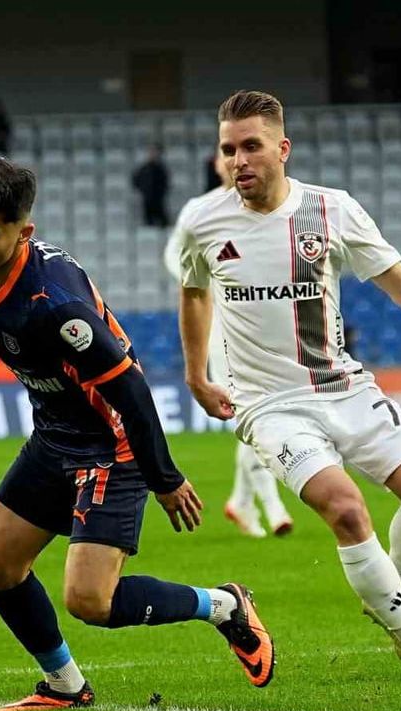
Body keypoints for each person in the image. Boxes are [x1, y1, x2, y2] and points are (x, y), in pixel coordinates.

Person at [0, 157, 274, 711]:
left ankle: (223, 605)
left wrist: (165, 478)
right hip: (55, 436)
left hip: (112, 445)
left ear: (22, 233)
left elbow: (130, 391)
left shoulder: (55, 306)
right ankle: (65, 685)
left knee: (90, 601)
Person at [177, 90, 401, 679]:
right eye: (228, 149)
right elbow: (192, 294)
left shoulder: (331, 210)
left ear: (283, 149)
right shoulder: (204, 222)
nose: (239, 160)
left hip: (342, 386)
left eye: (252, 147)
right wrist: (196, 374)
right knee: (345, 509)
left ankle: (389, 598)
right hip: (269, 406)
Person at [164, 153, 292, 538]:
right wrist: (211, 278)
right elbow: (176, 260)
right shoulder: (200, 210)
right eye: (225, 154)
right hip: (220, 324)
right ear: (218, 164)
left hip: (263, 325)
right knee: (249, 410)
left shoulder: (266, 210)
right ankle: (272, 505)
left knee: (262, 410)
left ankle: (240, 501)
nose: (233, 161)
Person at [132, 144, 170, 227]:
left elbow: (165, 183)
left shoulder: (161, 169)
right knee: (148, 224)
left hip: (158, 200)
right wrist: (143, 191)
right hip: (147, 199)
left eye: (155, 152)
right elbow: (136, 180)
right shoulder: (143, 168)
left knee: (163, 222)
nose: (153, 154)